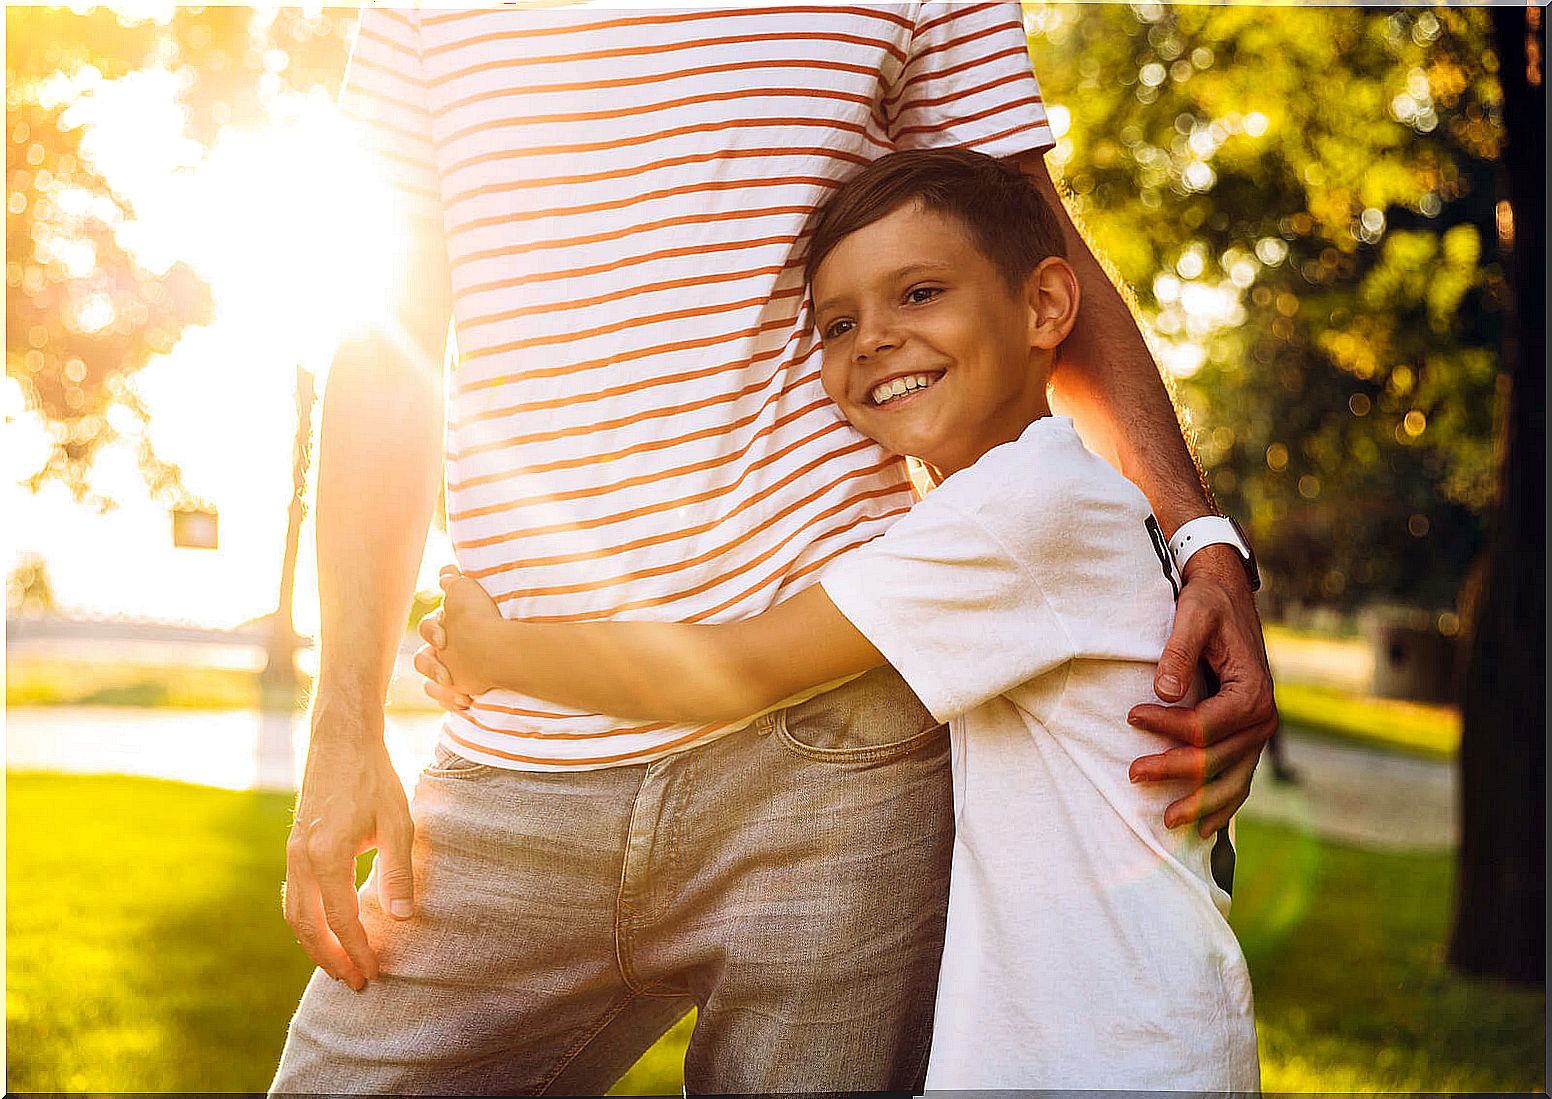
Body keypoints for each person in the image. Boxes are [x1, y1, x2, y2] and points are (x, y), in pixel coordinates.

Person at [272, 5, 1276, 1095]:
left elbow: (1028, 233)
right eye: (834, 321)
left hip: (837, 758)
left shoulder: (1016, 514)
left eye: (911, 299)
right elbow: (387, 335)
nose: (872, 337)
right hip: (515, 768)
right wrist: (344, 715)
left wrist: (1200, 539)